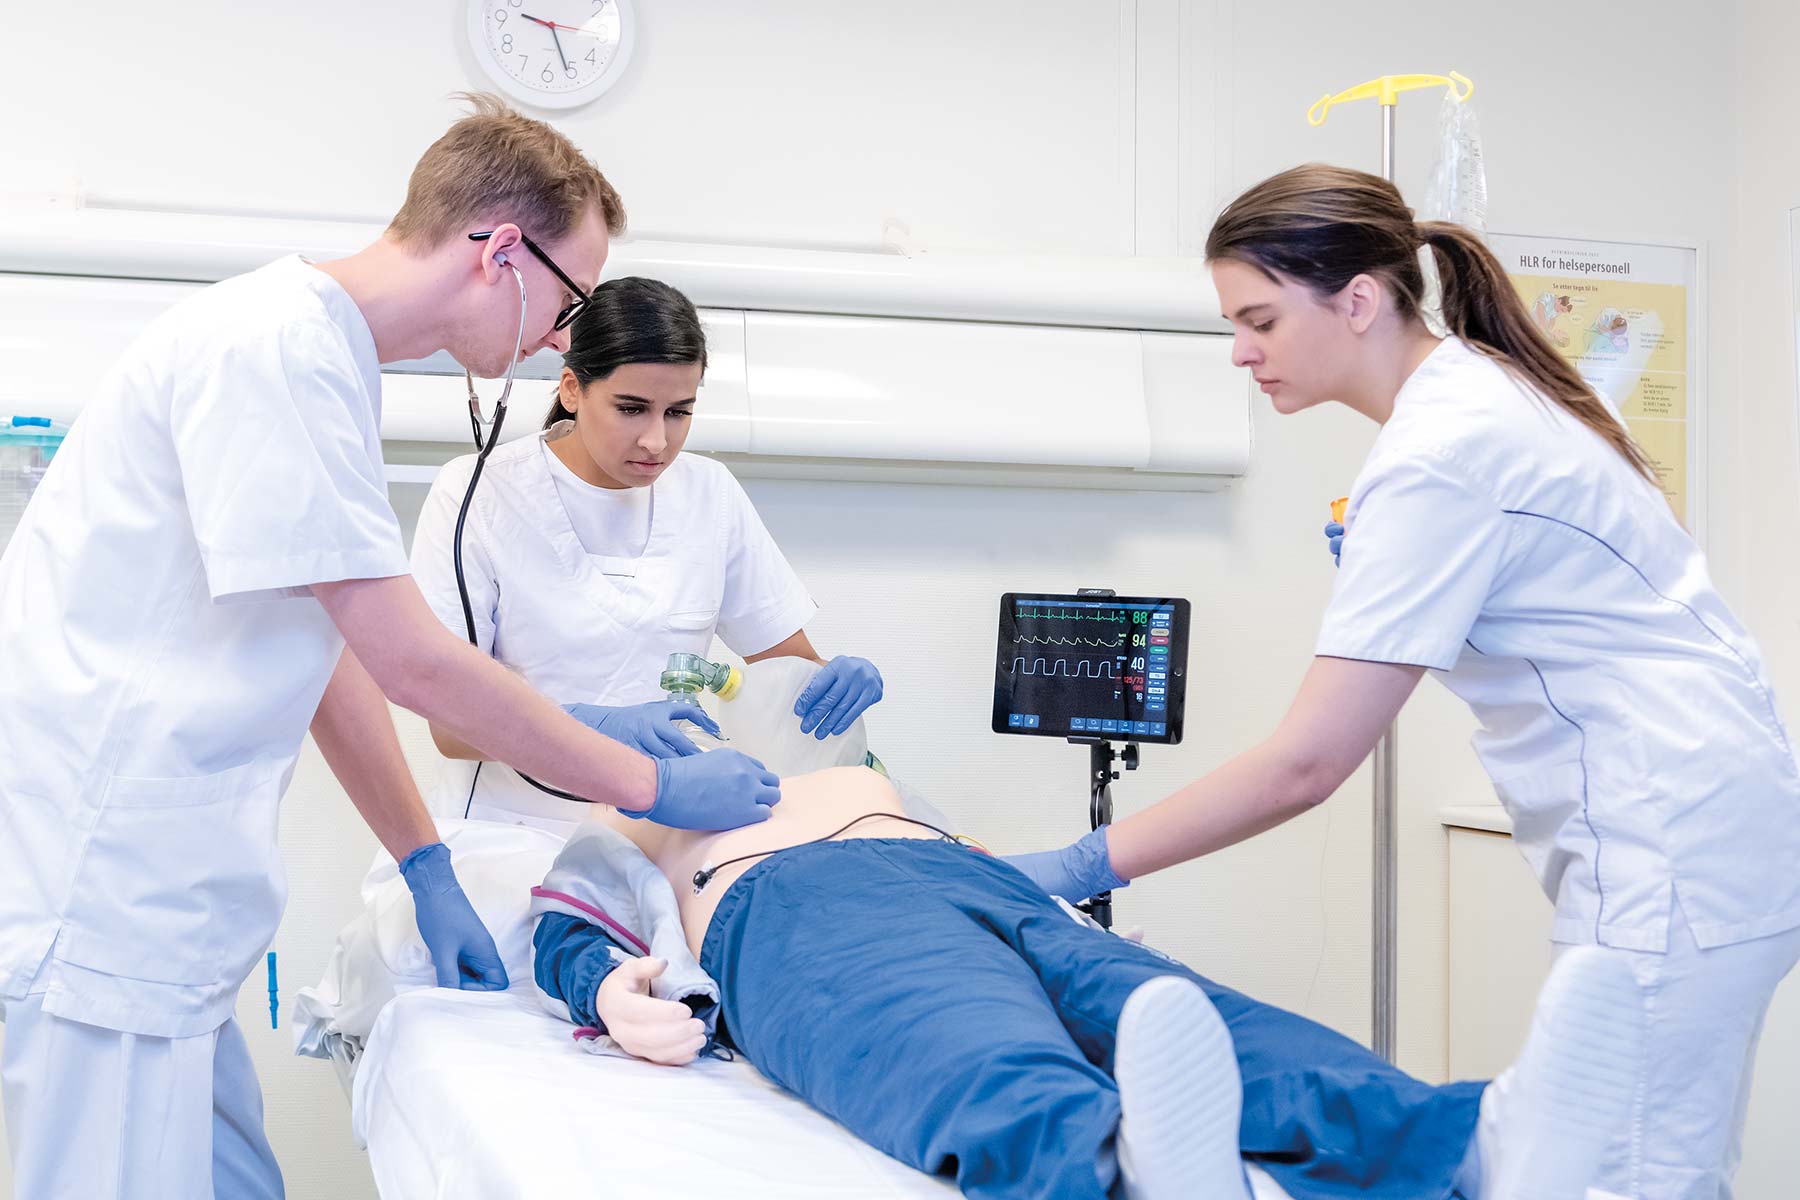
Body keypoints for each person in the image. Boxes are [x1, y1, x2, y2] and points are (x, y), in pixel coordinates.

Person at [0, 95, 779, 1200]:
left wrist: (424, 863)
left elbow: (329, 656)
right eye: (568, 300)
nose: (564, 335)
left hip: (161, 907)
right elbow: (416, 663)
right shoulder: (271, 350)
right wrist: (652, 779)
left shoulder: (316, 362)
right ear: (501, 252)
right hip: (102, 896)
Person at [1003, 163, 1800, 1199]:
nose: (1241, 351)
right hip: (1703, 811)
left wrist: (1078, 861)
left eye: (1261, 320)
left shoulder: (1441, 451)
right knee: (1589, 1149)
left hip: (1673, 833)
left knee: (1629, 1174)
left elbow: (1308, 762)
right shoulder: (1478, 396)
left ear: (1361, 300)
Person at [531, 763, 1646, 1200]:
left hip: (972, 874)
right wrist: (606, 996)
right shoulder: (618, 797)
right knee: (958, 1042)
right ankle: (1127, 1171)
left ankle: (1471, 1144)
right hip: (795, 909)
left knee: (1187, 1019)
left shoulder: (847, 763)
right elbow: (565, 924)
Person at [409, 275, 883, 824]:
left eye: (678, 412)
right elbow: (450, 724)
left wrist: (832, 682)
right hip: (513, 831)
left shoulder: (710, 493)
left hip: (673, 822)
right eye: (631, 409)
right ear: (571, 390)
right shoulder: (479, 494)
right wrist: (593, 724)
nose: (657, 441)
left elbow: (786, 670)